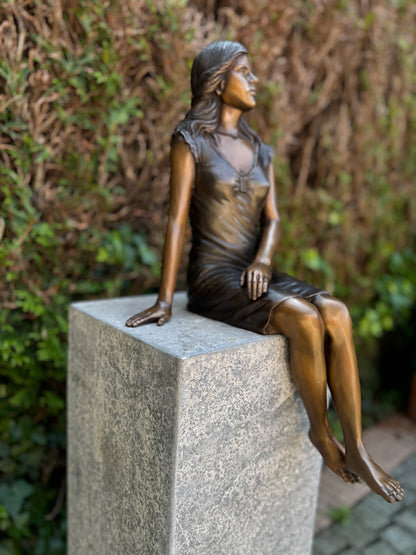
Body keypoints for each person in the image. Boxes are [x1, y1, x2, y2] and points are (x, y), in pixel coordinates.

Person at [126, 41, 403, 503]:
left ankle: (355, 445)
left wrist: (263, 260)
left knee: (335, 310)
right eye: (246, 73)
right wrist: (163, 299)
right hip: (215, 275)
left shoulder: (260, 148)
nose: (255, 81)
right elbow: (175, 221)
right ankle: (321, 434)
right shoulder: (189, 140)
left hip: (255, 269)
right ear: (217, 82)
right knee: (302, 317)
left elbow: (273, 219)